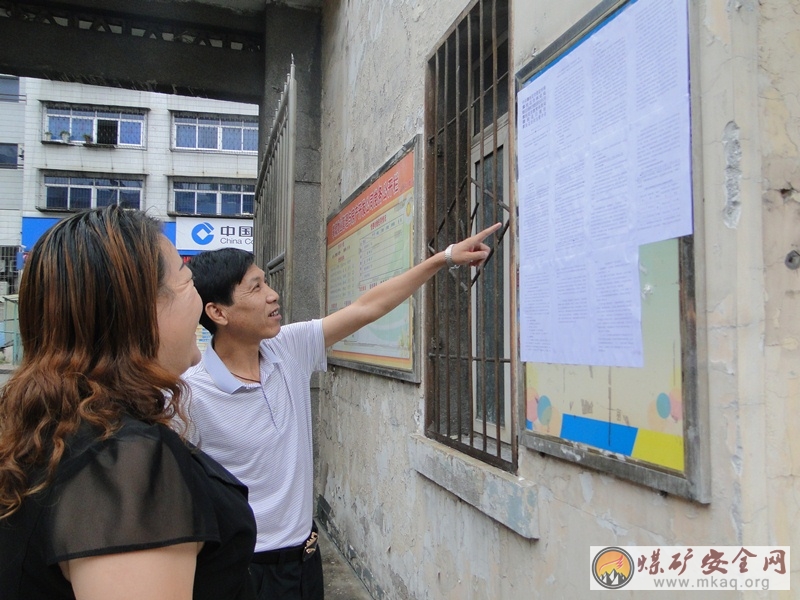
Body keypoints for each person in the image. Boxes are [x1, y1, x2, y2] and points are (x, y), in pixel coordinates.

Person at [182, 221, 502, 600]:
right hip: (245, 573)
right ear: (218, 312)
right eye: (256, 288)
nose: (273, 295)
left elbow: (368, 307)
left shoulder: (288, 347)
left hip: (304, 559)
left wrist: (444, 258)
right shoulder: (190, 394)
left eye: (266, 282)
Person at [0, 206, 257, 600]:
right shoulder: (125, 465)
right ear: (141, 311)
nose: (200, 303)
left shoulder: (50, 425)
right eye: (188, 282)